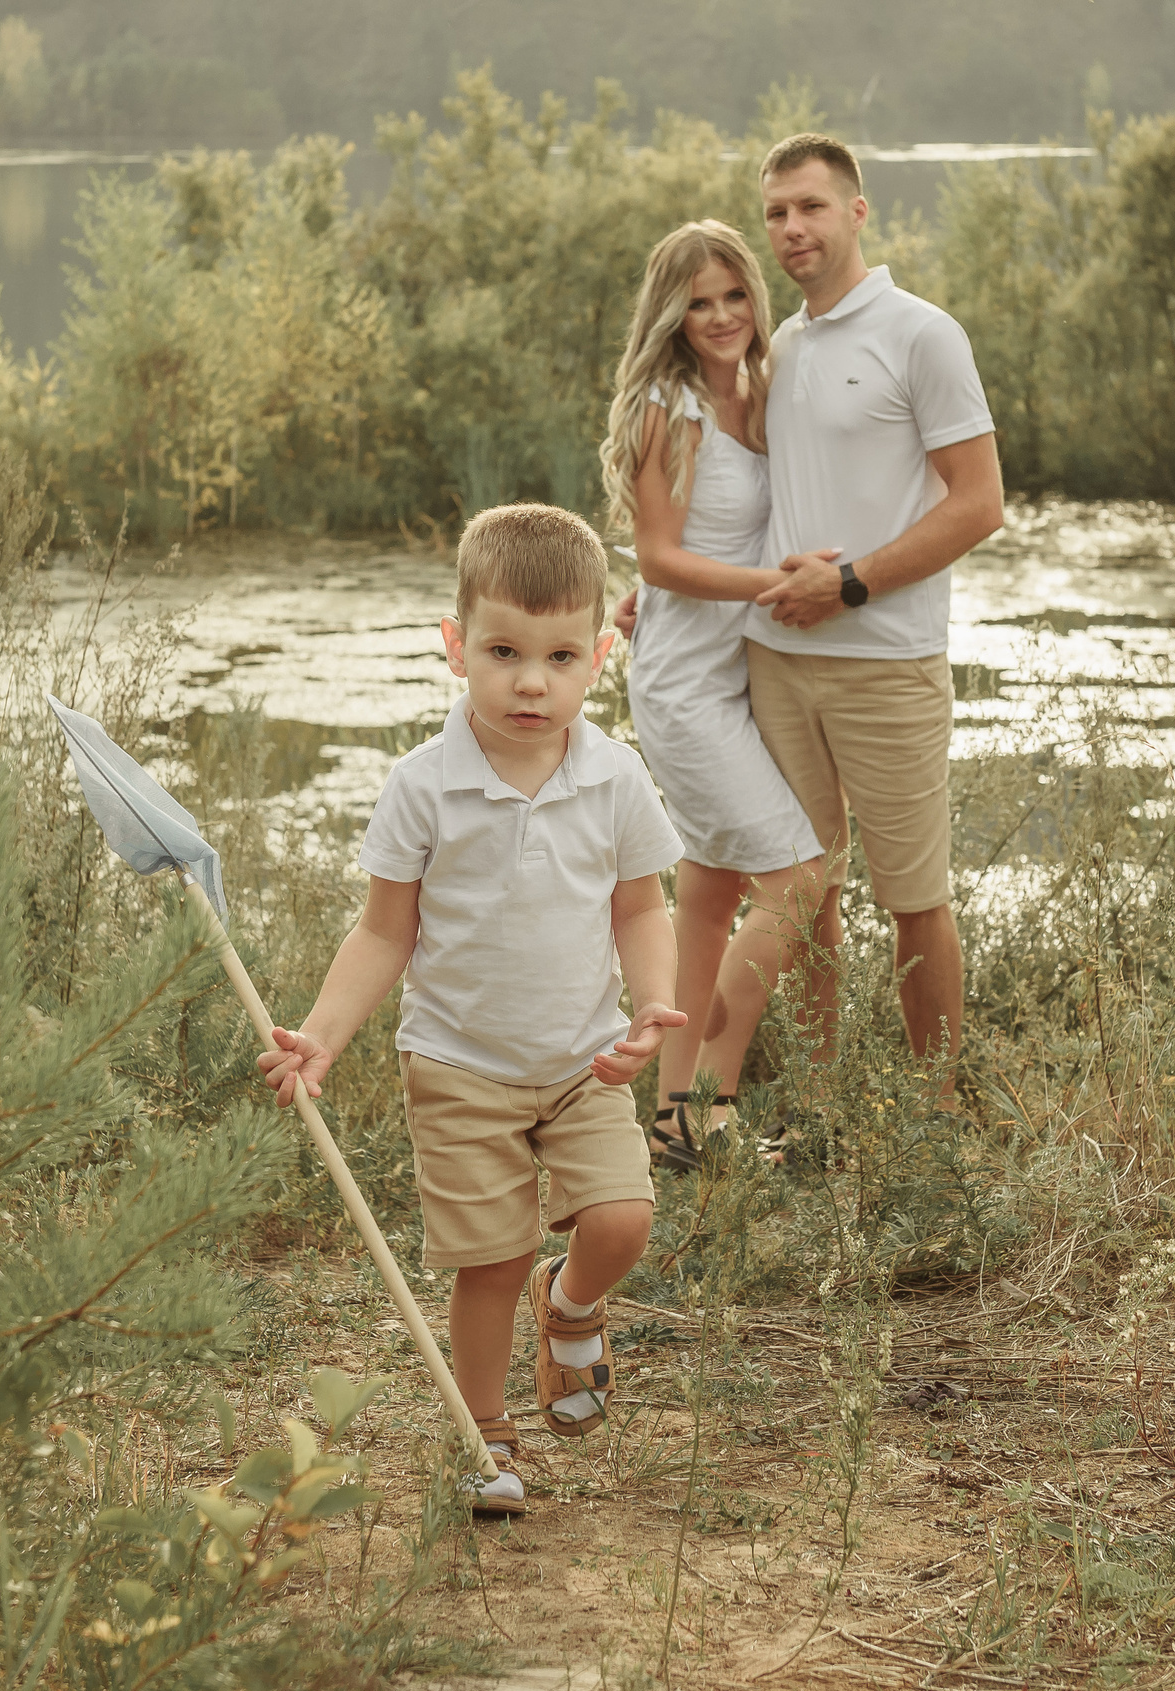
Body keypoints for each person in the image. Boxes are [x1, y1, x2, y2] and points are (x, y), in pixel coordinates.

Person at [255, 502, 685, 1519]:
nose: (532, 681)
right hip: (458, 1062)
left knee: (623, 1218)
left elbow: (640, 906)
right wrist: (321, 1035)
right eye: (503, 652)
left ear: (600, 657)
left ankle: (569, 1301)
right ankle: (483, 1429)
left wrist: (654, 1003)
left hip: (583, 1057)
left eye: (560, 656)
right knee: (489, 1259)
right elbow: (383, 933)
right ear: (456, 647)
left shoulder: (616, 776)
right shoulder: (423, 785)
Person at [745, 132, 1005, 1068]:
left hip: (889, 662)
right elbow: (758, 501)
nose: (792, 227)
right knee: (801, 889)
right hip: (777, 662)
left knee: (914, 898)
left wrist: (850, 583)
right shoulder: (778, 345)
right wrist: (666, 597)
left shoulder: (922, 334)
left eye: (811, 206)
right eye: (776, 212)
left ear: (857, 211)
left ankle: (934, 1113)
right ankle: (818, 1106)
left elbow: (980, 503)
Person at [595, 220, 831, 1171]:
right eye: (700, 303)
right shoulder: (669, 406)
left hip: (742, 674)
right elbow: (661, 555)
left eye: (736, 295)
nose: (723, 316)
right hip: (686, 689)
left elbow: (705, 541)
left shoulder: (760, 391)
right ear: (673, 314)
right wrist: (772, 585)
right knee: (798, 878)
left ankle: (671, 1122)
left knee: (709, 894)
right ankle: (707, 1111)